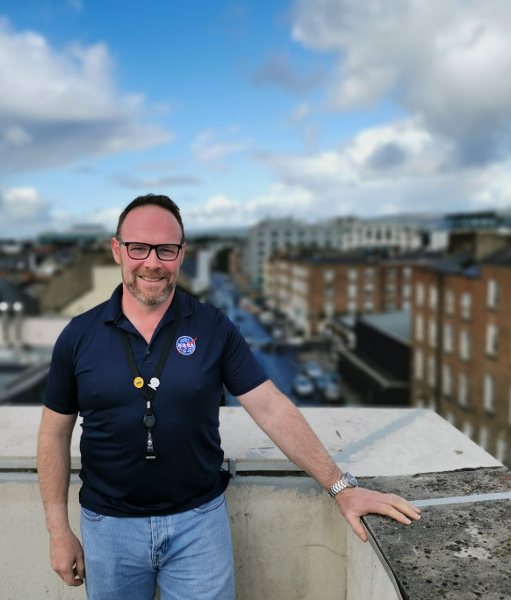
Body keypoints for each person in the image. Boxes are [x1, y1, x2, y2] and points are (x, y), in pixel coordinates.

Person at [37, 194, 421, 599]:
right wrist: (58, 531)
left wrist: (341, 487)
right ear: (117, 249)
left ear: (181, 254)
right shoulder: (79, 335)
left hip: (198, 526)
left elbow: (271, 407)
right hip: (108, 528)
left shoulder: (213, 326)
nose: (152, 262)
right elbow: (53, 435)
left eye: (166, 249)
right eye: (138, 247)